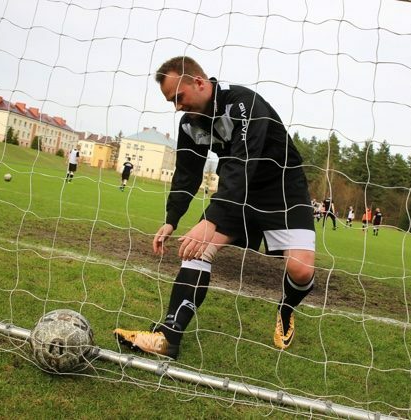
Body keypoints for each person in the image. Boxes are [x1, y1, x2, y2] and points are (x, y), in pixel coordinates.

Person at [113, 56, 316, 359]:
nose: (177, 107)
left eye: (178, 97)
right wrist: (172, 219)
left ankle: (286, 310)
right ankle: (168, 338)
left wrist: (211, 218)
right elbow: (187, 173)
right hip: (238, 194)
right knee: (196, 247)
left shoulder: (243, 104)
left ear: (198, 82)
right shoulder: (189, 125)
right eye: (171, 102)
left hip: (283, 192)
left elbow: (242, 162)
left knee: (301, 270)